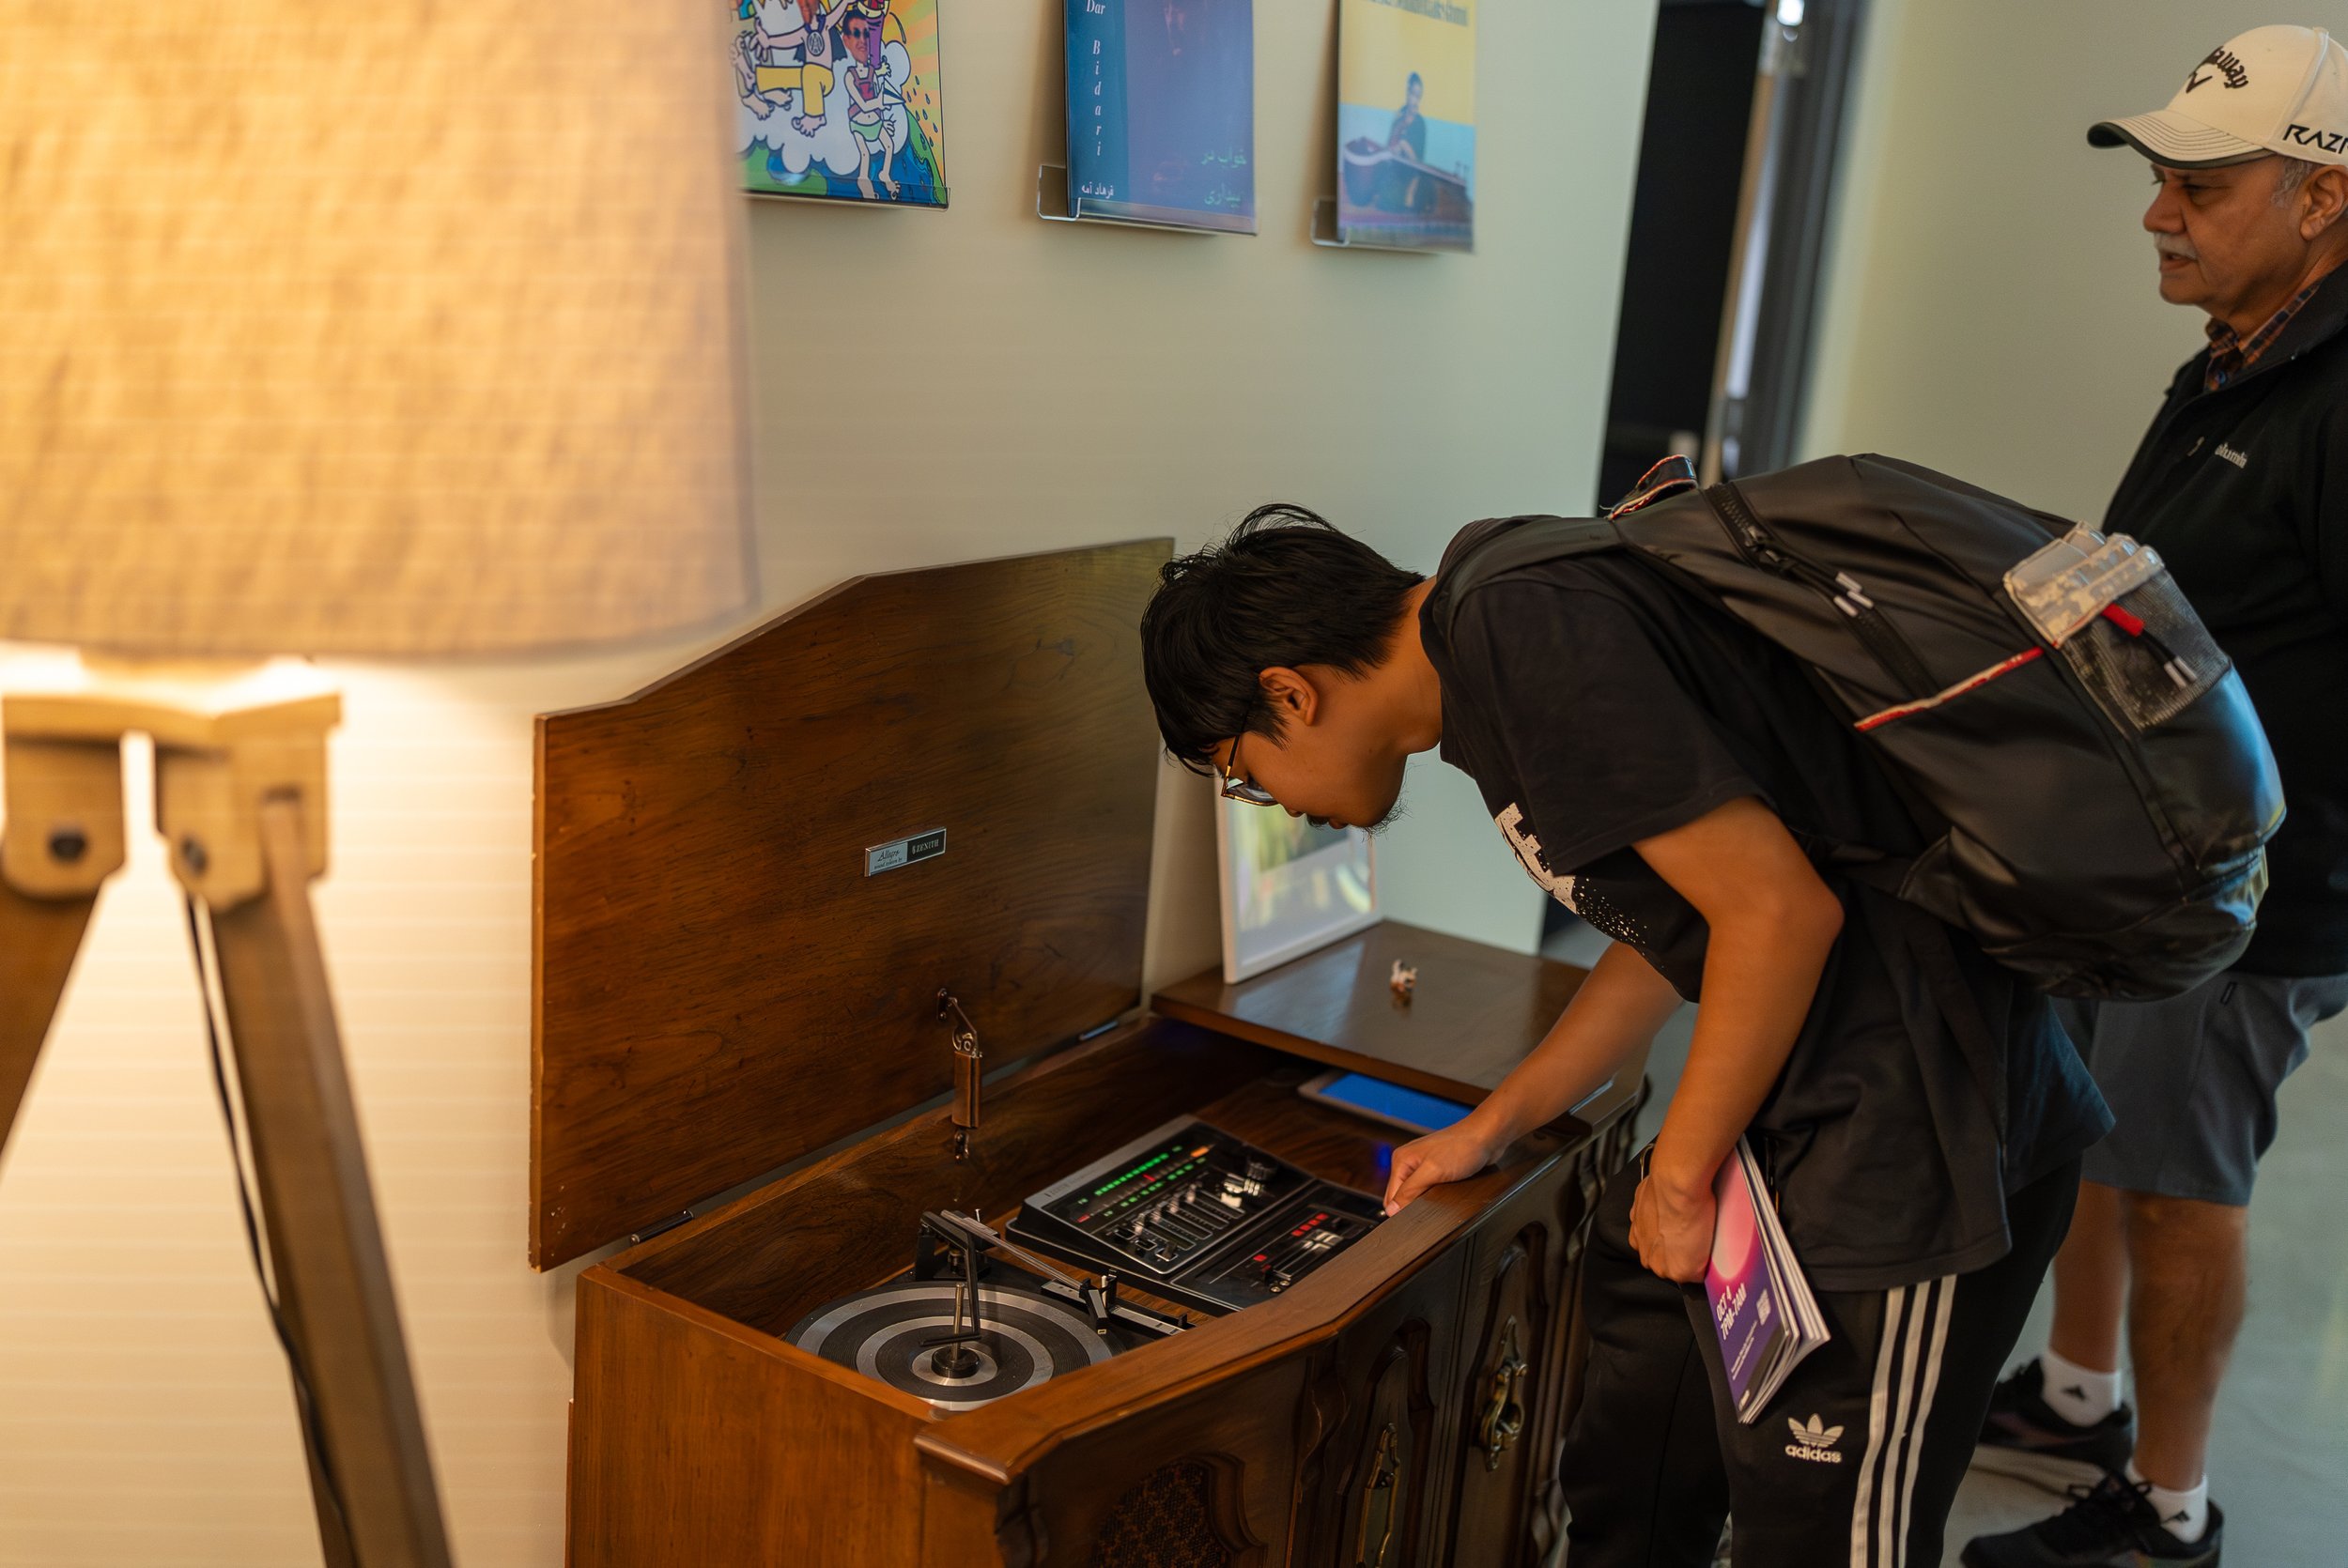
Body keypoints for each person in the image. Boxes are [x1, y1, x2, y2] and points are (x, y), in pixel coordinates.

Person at [1138, 502, 2110, 1568]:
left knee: (1823, 1540)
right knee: (1628, 1463)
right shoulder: (1487, 652)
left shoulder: (1522, 630)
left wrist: (1682, 1174)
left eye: (1239, 770)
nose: (1260, 798)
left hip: (1918, 1134)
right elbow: (1673, 926)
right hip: (1798, 1111)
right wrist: (1497, 1119)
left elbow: (1776, 912)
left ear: (1290, 692)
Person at [1962, 25, 2348, 1568]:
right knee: (2108, 1137)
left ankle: (2169, 1516)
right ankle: (2076, 1403)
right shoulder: (2238, 357)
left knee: (2183, 1187)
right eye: (2161, 180)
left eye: (2202, 183)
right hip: (2159, 870)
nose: (2157, 212)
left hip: (2257, 895)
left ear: (2324, 194)